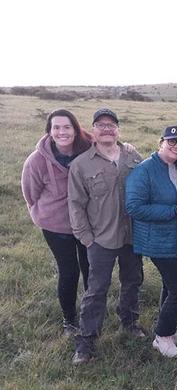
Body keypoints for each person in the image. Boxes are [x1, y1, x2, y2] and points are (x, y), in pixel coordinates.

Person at [68, 108, 144, 364]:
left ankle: (130, 323)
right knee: (96, 289)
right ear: (93, 130)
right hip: (100, 238)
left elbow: (147, 183)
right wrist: (86, 237)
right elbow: (76, 204)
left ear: (118, 130)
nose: (107, 128)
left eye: (112, 125)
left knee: (133, 280)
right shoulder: (81, 164)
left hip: (132, 235)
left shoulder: (132, 155)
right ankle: (87, 341)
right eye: (101, 125)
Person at [21, 109, 92, 336]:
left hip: (88, 222)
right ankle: (69, 320)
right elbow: (30, 194)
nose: (62, 132)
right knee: (69, 271)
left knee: (91, 268)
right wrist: (41, 214)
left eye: (67, 127)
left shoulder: (89, 151)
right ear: (50, 131)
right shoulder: (37, 161)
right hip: (56, 226)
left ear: (75, 129)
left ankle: (92, 313)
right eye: (56, 127)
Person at [125, 126, 177, 358]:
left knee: (170, 285)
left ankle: (171, 328)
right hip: (161, 240)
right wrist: (173, 210)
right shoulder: (145, 170)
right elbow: (134, 207)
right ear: (160, 142)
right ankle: (162, 337)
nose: (176, 147)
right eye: (171, 142)